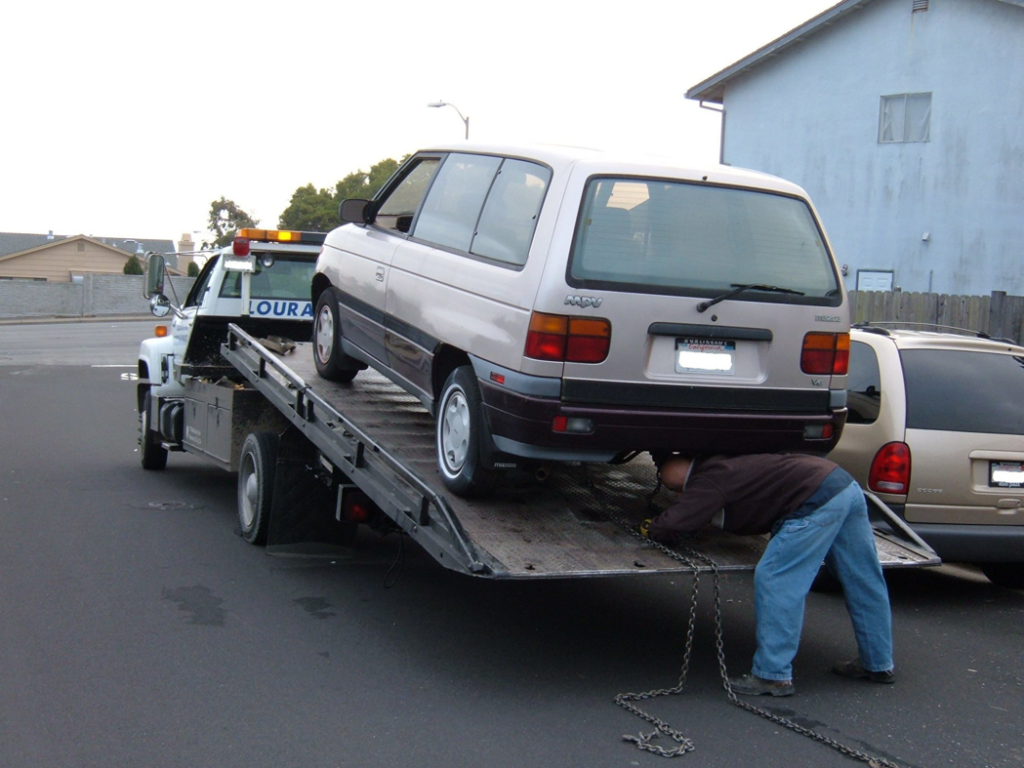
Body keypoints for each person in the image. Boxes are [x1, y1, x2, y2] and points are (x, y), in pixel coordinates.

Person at [646, 452, 894, 697]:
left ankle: (772, 675)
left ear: (683, 473)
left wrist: (651, 529)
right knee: (863, 579)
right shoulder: (723, 461)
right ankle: (878, 662)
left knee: (776, 578)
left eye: (670, 484)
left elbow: (674, 523)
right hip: (843, 486)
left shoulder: (707, 479)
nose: (670, 487)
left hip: (813, 498)